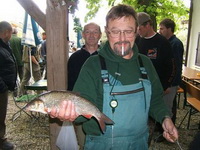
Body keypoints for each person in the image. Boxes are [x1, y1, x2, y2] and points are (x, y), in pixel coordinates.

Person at [49, 4, 178, 150]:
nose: (122, 39)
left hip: (139, 143)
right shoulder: (93, 65)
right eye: (115, 32)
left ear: (136, 31)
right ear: (107, 32)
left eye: (128, 31)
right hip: (101, 144)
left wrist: (165, 118)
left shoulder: (145, 63)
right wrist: (69, 114)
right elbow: (81, 106)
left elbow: (155, 100)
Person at [136, 12, 175, 142]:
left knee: (153, 118)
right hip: (139, 87)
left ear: (148, 25)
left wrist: (166, 85)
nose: (138, 31)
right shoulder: (137, 41)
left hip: (156, 87)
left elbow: (171, 66)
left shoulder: (162, 42)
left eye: (140, 28)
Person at [67, 22, 102, 149]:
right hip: (81, 107)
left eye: (95, 32)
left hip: (103, 106)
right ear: (83, 35)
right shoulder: (74, 58)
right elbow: (70, 85)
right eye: (88, 32)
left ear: (100, 35)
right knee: (84, 143)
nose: (91, 35)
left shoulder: (106, 57)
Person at [159, 18, 184, 123]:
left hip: (170, 83)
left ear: (169, 29)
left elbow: (176, 66)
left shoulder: (176, 44)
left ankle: (168, 133)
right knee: (166, 105)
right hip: (166, 82)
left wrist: (170, 84)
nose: (160, 31)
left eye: (162, 29)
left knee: (167, 108)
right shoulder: (166, 42)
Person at [0, 21, 16, 150]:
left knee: (2, 114)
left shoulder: (5, 45)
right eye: (10, 32)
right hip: (0, 88)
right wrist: (3, 86)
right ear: (6, 32)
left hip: (3, 87)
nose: (11, 35)